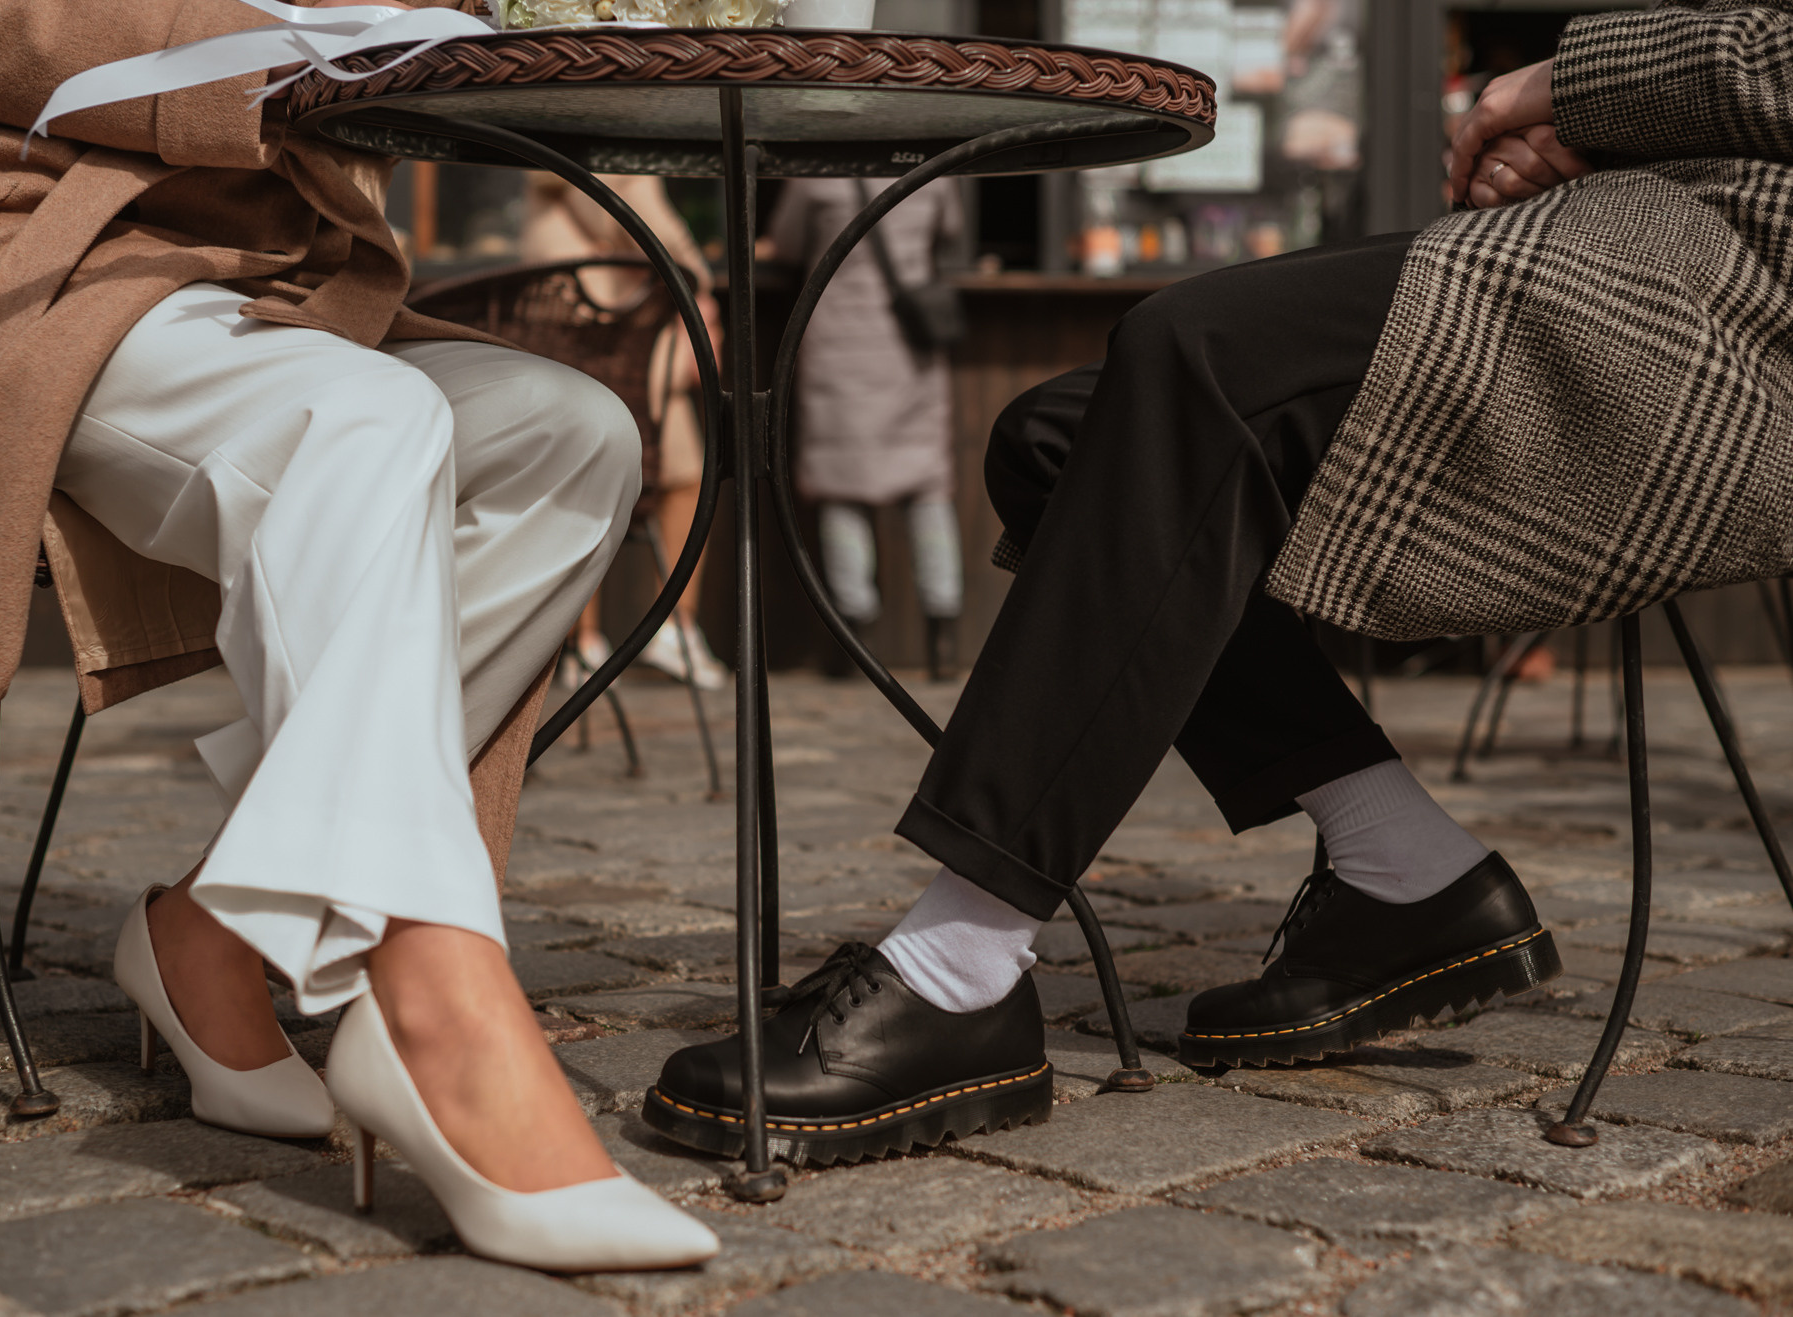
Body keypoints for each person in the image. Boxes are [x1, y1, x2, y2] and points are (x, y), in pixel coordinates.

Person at [646, 0, 1793, 1164]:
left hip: (1744, 303)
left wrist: (1557, 86)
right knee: (1056, 442)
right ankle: (1409, 871)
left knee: (1189, 352)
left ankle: (960, 969)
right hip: (1654, 231)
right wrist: (1593, 135)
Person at [0, 0, 715, 1271]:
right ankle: (433, 998)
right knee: (367, 422)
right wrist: (270, 43)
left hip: (271, 285)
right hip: (20, 266)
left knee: (571, 436)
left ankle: (214, 929)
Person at [519, 170, 730, 691]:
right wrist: (700, 286)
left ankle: (581, 640)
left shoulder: (540, 172)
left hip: (561, 365)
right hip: (615, 356)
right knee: (681, 477)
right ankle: (667, 629)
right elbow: (663, 242)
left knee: (581, 483)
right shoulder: (609, 164)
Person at [765, 176, 967, 680]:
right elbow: (951, 231)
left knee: (842, 487)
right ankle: (942, 630)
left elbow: (785, 245)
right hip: (910, 344)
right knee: (927, 485)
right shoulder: (932, 172)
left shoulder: (815, 175)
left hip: (838, 342)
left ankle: (853, 632)